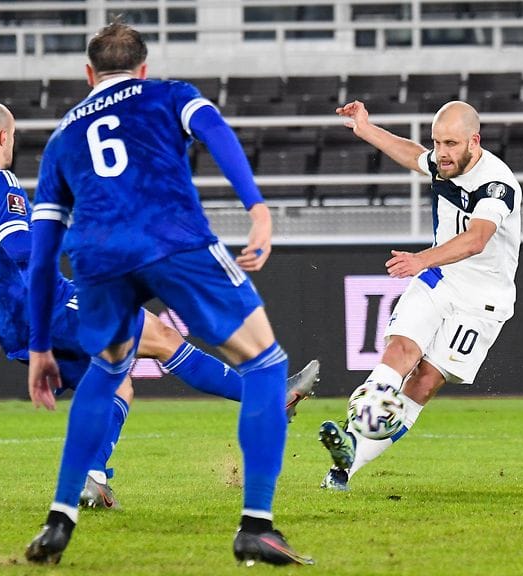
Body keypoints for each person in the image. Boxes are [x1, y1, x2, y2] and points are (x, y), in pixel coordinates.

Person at [0, 100, 320, 511]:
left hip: (8, 322)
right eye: (13, 137)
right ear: (3, 136)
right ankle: (272, 399)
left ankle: (94, 480)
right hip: (52, 305)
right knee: (163, 338)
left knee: (118, 382)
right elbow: (21, 248)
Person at [22, 21, 313, 566]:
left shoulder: (62, 138)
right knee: (266, 363)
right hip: (173, 241)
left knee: (107, 371)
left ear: (89, 74)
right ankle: (257, 525)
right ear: (143, 67)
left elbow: (41, 260)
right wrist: (257, 207)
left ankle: (60, 517)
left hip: (98, 259)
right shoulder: (168, 94)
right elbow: (216, 131)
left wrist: (40, 348)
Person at [318, 100, 521, 491]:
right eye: (437, 143)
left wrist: (419, 259)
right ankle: (356, 428)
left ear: (473, 142)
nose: (440, 153)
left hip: (483, 301)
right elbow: (414, 156)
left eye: (450, 144)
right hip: (439, 278)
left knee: (423, 381)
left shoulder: (497, 183)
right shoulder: (444, 162)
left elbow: (477, 239)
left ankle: (347, 464)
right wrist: (366, 128)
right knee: (400, 350)